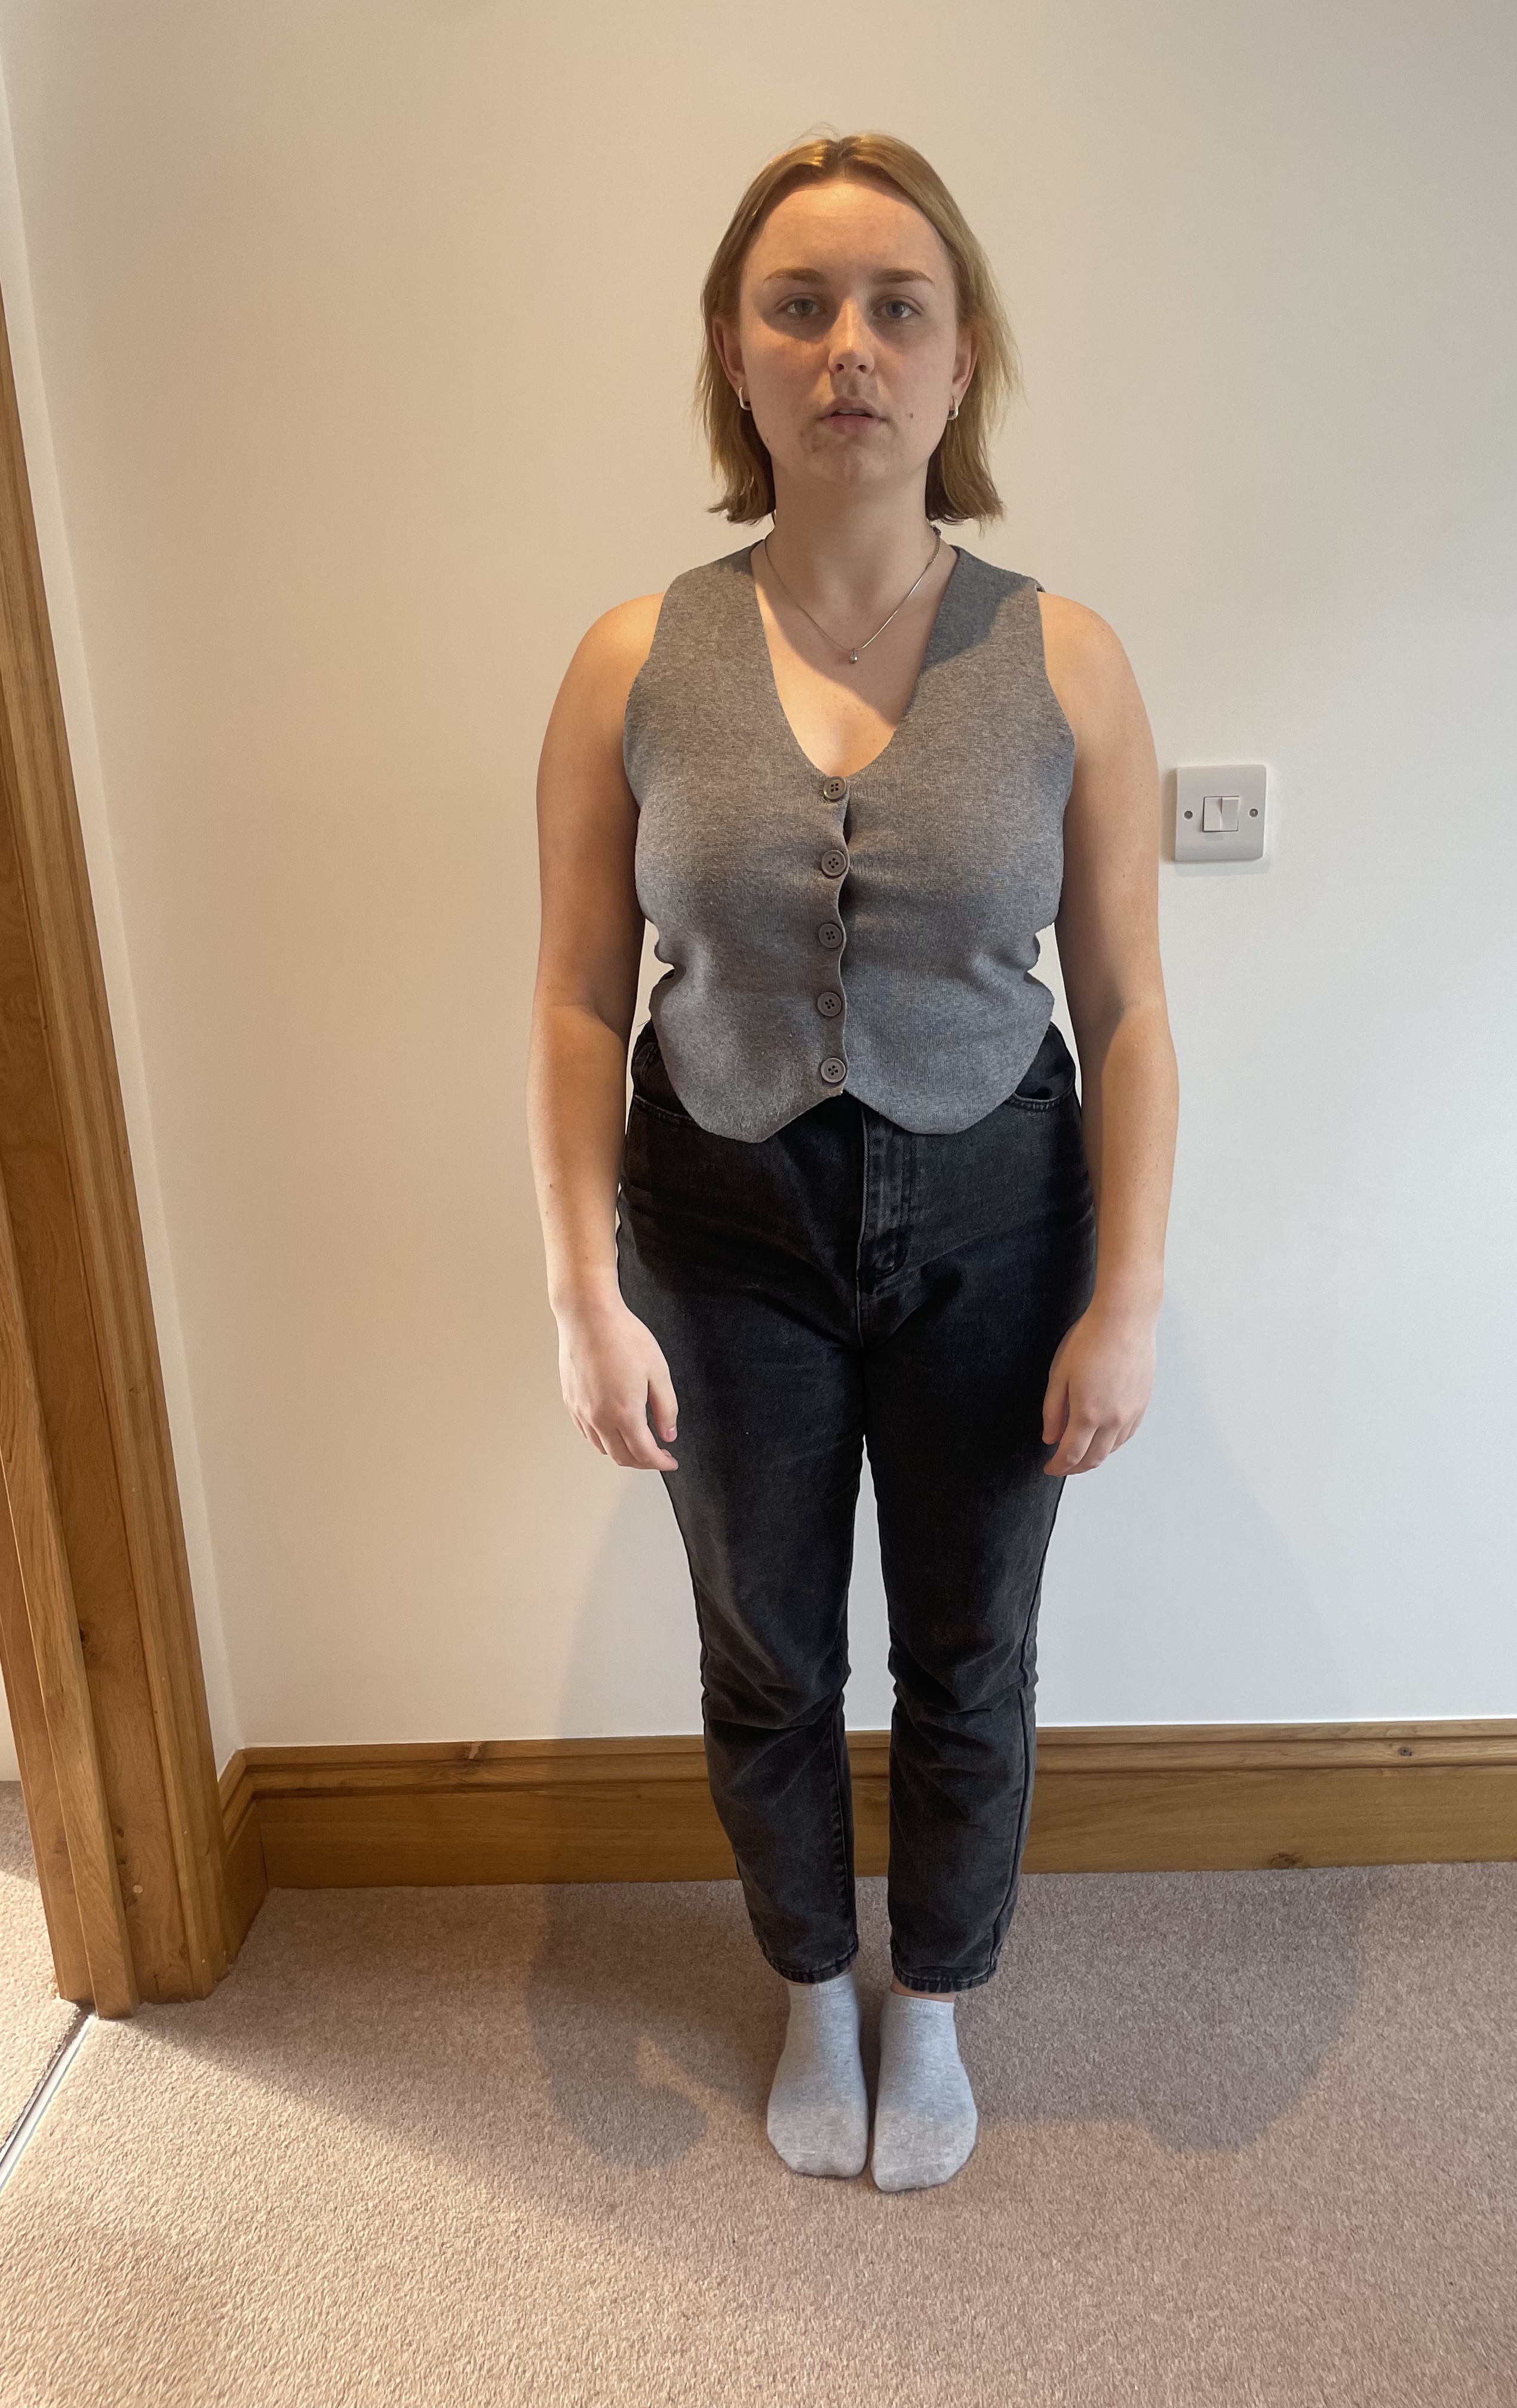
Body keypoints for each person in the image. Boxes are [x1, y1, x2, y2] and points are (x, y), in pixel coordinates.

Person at [527, 130, 1177, 2193]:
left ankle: (935, 1999)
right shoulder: (629, 663)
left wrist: (1128, 1297)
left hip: (1000, 1213)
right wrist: (580, 1292)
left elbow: (1129, 1009)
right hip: (719, 1221)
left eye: (899, 307)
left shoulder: (1068, 661)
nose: (849, 349)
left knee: (973, 1645)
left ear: (961, 357)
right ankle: (814, 1983)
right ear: (735, 353)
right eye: (797, 306)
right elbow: (574, 997)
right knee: (767, 1649)